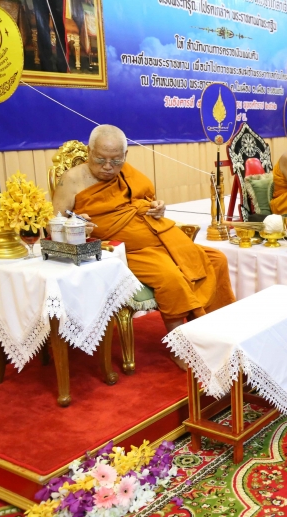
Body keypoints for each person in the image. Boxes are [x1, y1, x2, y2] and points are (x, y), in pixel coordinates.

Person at [52, 125, 236, 369]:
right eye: (101, 159)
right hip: (123, 249)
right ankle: (180, 347)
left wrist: (158, 207)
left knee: (216, 259)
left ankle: (215, 331)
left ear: (125, 156)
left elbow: (147, 200)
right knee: (170, 277)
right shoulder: (72, 179)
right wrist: (77, 224)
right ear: (89, 152)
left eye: (116, 160)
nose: (108, 166)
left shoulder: (128, 173)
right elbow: (55, 224)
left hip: (160, 235)